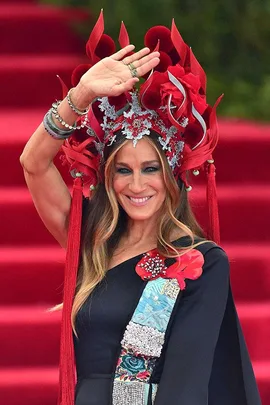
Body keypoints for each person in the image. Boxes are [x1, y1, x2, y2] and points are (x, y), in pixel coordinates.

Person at [20, 11, 261, 405]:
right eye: (122, 170)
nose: (136, 185)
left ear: (172, 176)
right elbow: (33, 164)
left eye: (150, 169)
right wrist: (79, 98)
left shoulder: (202, 261)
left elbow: (187, 385)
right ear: (107, 177)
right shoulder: (91, 244)